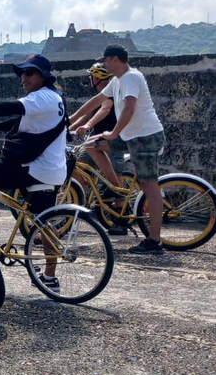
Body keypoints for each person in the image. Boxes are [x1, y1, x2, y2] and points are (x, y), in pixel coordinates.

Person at [0, 54, 68, 291]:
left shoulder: (40, 97)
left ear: (44, 76)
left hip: (33, 169)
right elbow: (22, 118)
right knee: (43, 221)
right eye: (22, 74)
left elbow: (14, 106)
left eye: (30, 73)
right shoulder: (55, 97)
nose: (24, 78)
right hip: (53, 170)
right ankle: (49, 277)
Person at [70, 44, 166, 254]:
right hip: (132, 136)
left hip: (146, 137)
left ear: (114, 59)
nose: (103, 64)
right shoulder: (117, 80)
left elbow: (129, 108)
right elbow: (95, 101)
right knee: (91, 144)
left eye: (105, 60)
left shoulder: (131, 77)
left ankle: (154, 241)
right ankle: (116, 186)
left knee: (149, 186)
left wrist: (113, 134)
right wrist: (70, 120)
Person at [69, 63, 128, 234]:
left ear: (95, 78)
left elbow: (104, 109)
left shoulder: (111, 94)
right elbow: (85, 115)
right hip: (95, 142)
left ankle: (121, 220)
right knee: (77, 168)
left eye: (92, 77)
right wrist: (66, 127)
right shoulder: (101, 94)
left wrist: (87, 126)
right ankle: (77, 204)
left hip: (112, 140)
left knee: (115, 180)